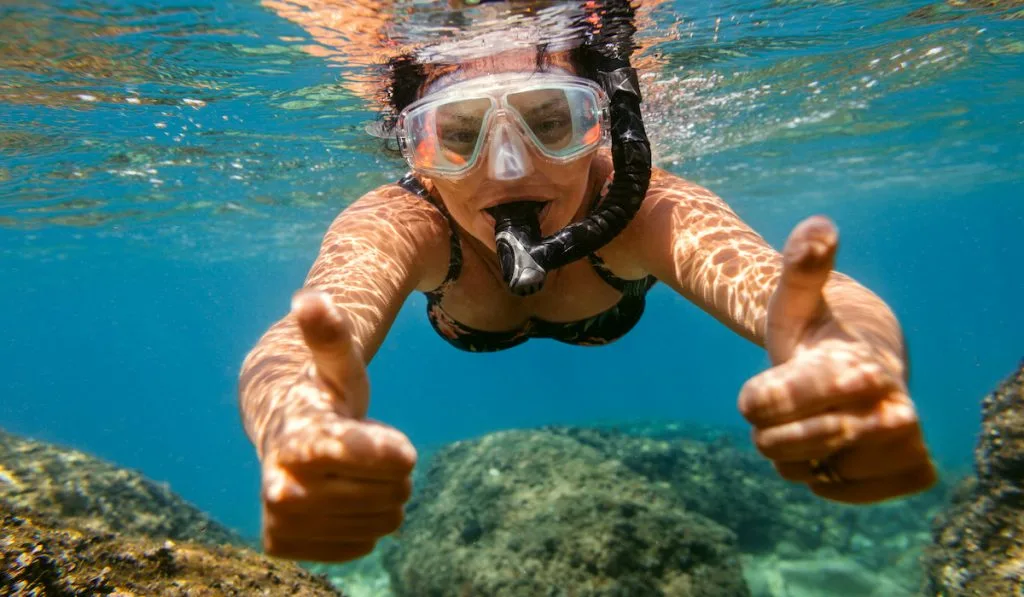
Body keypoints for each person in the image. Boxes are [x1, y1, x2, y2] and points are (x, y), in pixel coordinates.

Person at [238, 0, 937, 564]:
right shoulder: (405, 220)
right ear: (415, 151)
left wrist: (851, 354)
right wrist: (295, 421)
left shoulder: (643, 209)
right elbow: (295, 346)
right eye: (457, 136)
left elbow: (801, 293)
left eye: (551, 121)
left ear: (603, 125)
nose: (508, 169)